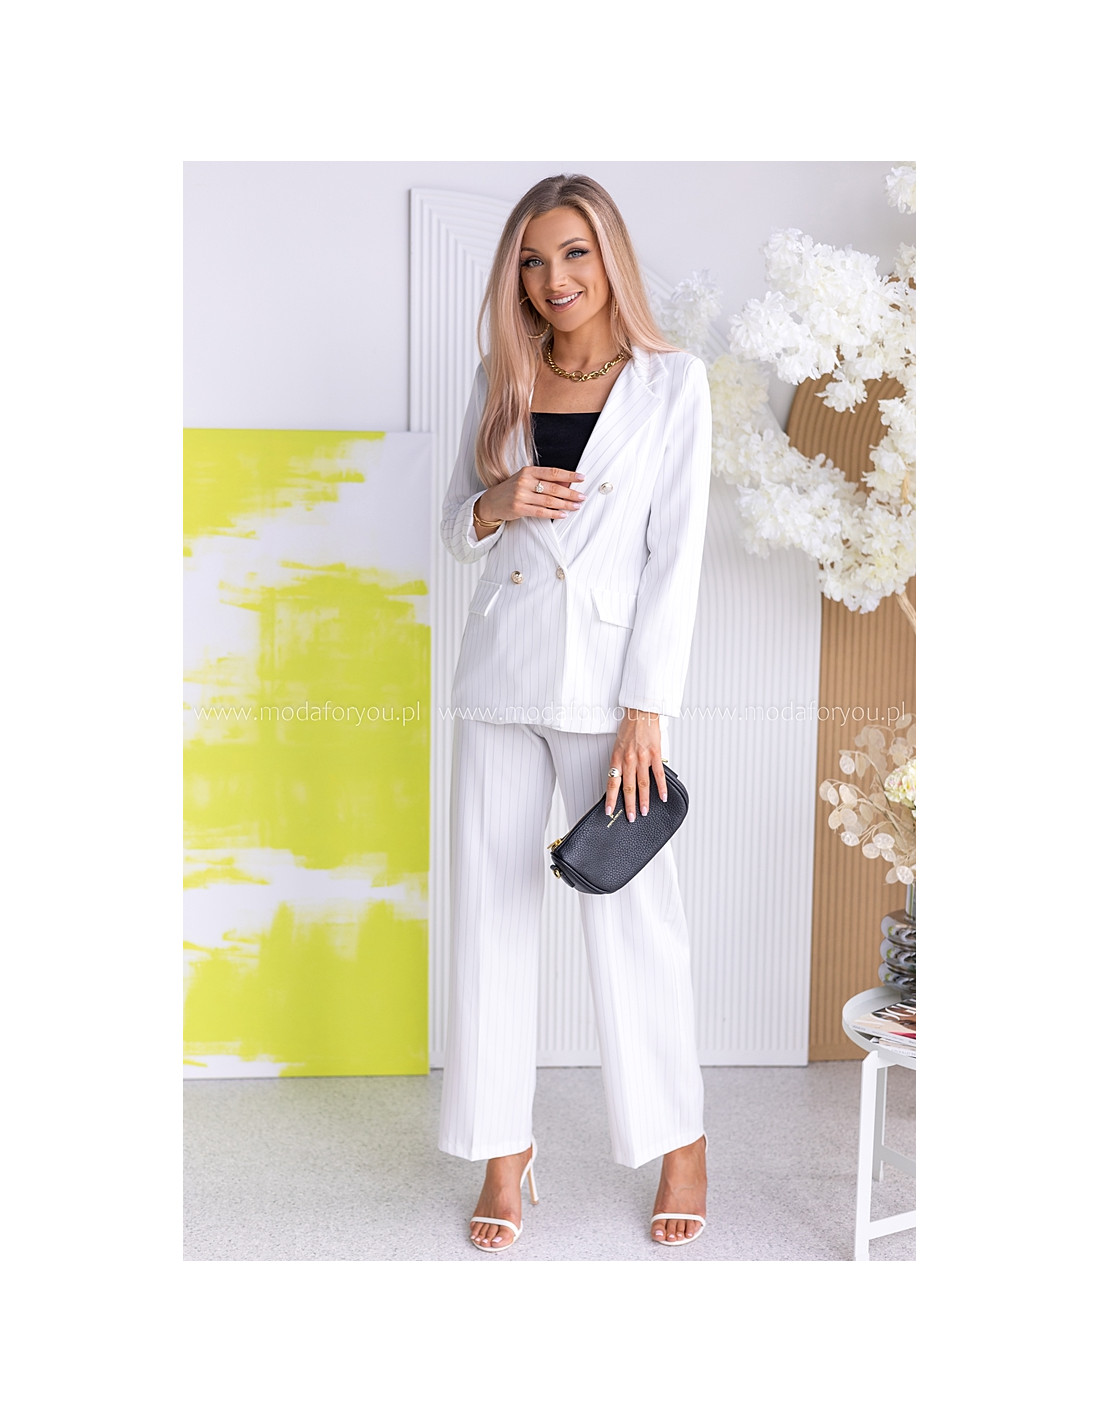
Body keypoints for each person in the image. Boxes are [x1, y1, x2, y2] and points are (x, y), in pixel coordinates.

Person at [438, 174, 712, 1252]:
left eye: (573, 254)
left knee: (633, 920)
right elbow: (455, 529)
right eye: (532, 261)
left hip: (608, 690)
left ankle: (679, 1142)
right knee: (490, 921)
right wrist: (493, 501)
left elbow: (675, 558)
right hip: (500, 679)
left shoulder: (670, 383)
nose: (553, 279)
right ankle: (503, 1154)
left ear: (609, 258)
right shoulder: (500, 377)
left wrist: (647, 707)